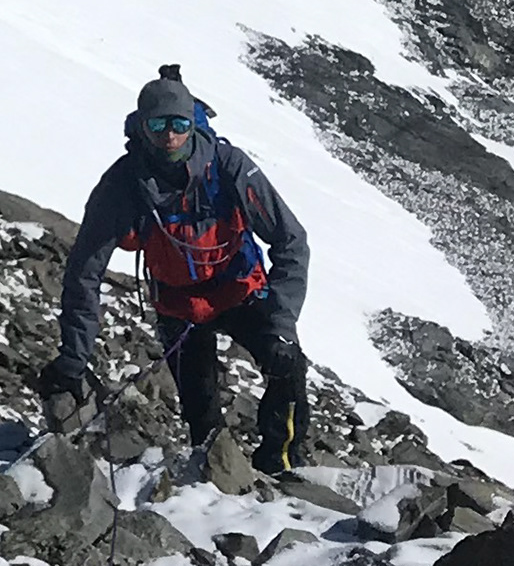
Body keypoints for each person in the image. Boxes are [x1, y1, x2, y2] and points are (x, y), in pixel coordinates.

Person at [35, 71, 312, 473]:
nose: (170, 135)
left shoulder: (228, 165)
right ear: (141, 126)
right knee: (201, 413)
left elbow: (291, 240)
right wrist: (73, 361)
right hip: (178, 304)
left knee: (285, 364)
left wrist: (282, 320)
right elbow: (84, 273)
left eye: (180, 124)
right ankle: (220, 483)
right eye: (159, 124)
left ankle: (281, 464)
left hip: (239, 290)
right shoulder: (121, 185)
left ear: (192, 122)